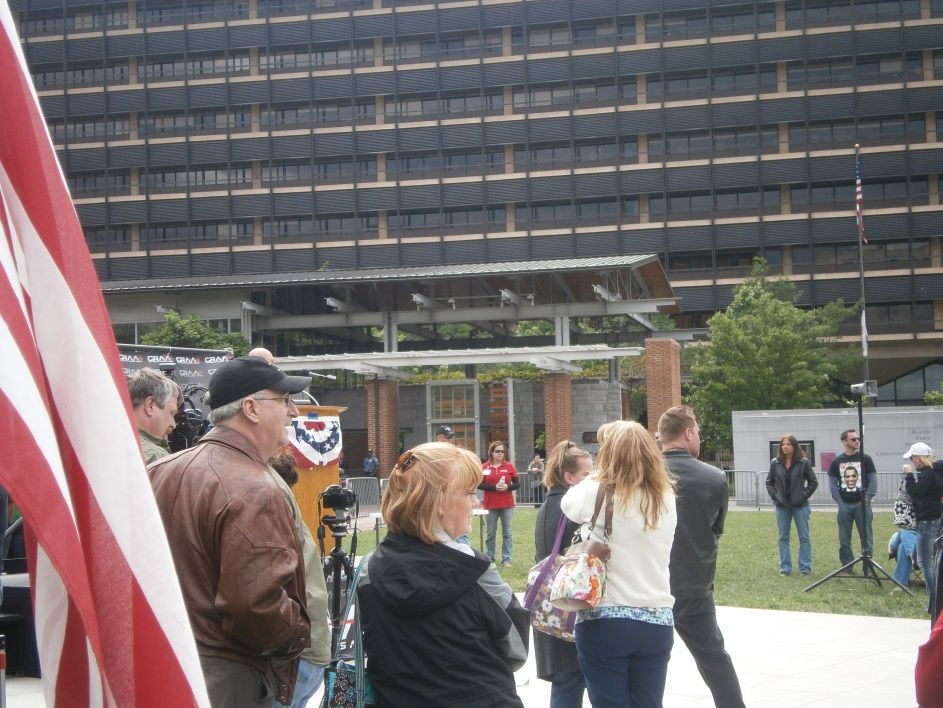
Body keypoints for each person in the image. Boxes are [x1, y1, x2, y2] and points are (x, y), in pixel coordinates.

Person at [149, 356, 312, 707]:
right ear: (251, 408)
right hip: (228, 676)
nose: (294, 412)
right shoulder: (256, 488)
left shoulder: (160, 470)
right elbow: (255, 605)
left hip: (167, 663)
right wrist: (299, 632)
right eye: (284, 400)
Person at [357, 443, 529, 707]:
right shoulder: (475, 570)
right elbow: (517, 648)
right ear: (439, 502)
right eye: (470, 493)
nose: (475, 502)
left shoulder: (368, 571)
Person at [561, 420, 677, 707]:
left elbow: (568, 504)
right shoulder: (665, 497)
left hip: (606, 618)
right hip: (656, 617)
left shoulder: (596, 490)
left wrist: (601, 469)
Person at [658, 405, 745, 708]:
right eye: (698, 432)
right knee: (714, 659)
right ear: (688, 432)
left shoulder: (645, 473)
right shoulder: (715, 478)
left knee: (646, 665)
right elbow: (716, 528)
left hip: (650, 583)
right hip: (694, 584)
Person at [269, 451, 332, 708]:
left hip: (297, 654)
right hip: (306, 648)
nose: (292, 411)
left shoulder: (270, 488)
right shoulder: (273, 488)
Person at [534, 441, 592, 708]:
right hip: (567, 609)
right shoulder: (570, 508)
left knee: (567, 683)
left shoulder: (551, 503)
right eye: (586, 476)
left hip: (553, 610)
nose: (592, 481)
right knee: (570, 684)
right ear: (569, 477)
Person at [765, 434, 818, 576]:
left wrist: (803, 496)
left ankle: (805, 568)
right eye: (783, 444)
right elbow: (769, 482)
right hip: (782, 506)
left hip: (800, 506)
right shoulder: (775, 463)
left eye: (788, 444)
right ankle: (785, 568)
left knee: (804, 537)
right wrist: (776, 496)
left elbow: (813, 482)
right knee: (783, 537)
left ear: (794, 446)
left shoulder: (803, 462)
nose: (785, 447)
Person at [902, 442, 943, 618]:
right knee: (916, 556)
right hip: (931, 519)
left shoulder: (928, 474)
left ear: (919, 458)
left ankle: (935, 603)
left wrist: (909, 476)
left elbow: (916, 493)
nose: (912, 461)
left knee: (926, 562)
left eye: (912, 458)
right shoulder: (933, 472)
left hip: (928, 521)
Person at [827, 429, 877, 569]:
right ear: (844, 442)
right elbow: (832, 482)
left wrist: (868, 498)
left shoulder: (865, 459)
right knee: (844, 539)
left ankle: (868, 567)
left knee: (866, 538)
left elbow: (873, 479)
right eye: (853, 439)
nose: (857, 441)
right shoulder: (837, 461)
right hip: (845, 505)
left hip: (862, 505)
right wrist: (839, 501)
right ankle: (847, 565)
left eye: (858, 439)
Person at [126, 367, 181, 464]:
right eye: (171, 413)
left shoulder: (107, 441)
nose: (173, 424)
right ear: (150, 405)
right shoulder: (155, 456)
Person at [481, 440, 519, 567]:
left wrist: (507, 487)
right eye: (497, 451)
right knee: (490, 533)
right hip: (490, 504)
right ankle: (490, 557)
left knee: (507, 532)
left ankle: (506, 559)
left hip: (507, 505)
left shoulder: (509, 466)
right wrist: (494, 488)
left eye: (502, 451)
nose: (500, 454)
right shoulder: (484, 467)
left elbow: (517, 484)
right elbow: (479, 484)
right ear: (491, 452)